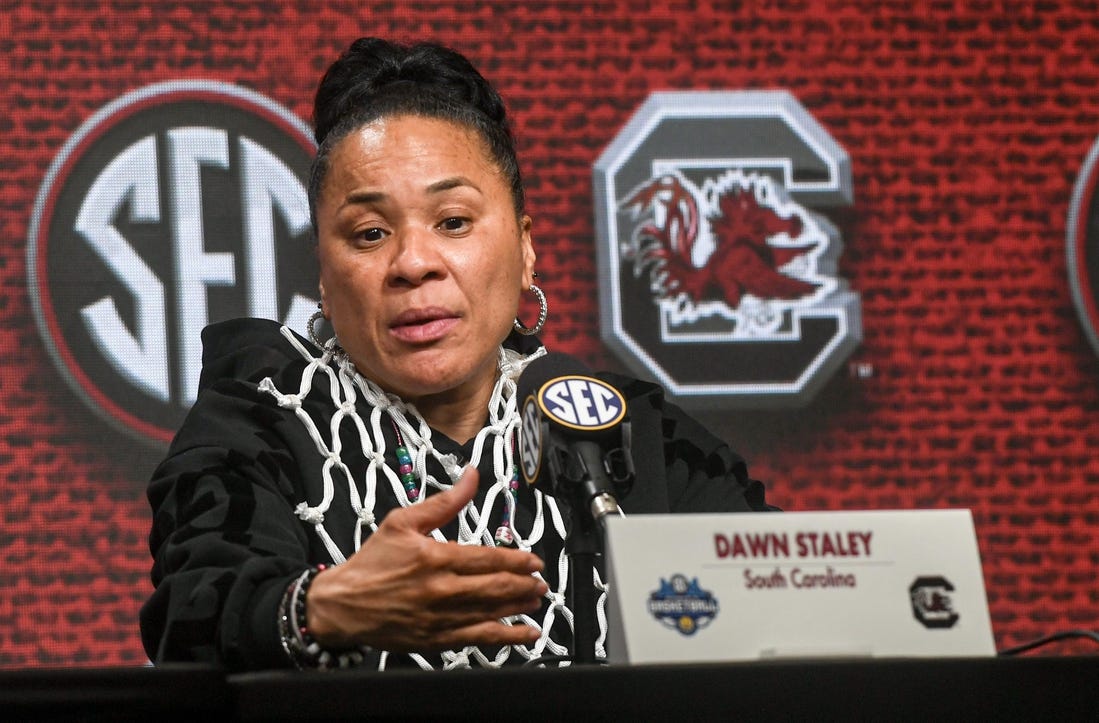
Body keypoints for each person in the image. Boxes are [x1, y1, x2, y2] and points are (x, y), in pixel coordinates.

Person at [140, 37, 775, 672]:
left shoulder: (622, 428)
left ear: (525, 248)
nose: (414, 264)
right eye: (369, 233)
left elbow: (788, 598)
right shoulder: (261, 424)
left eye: (452, 222)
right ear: (325, 281)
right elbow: (192, 615)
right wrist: (324, 608)